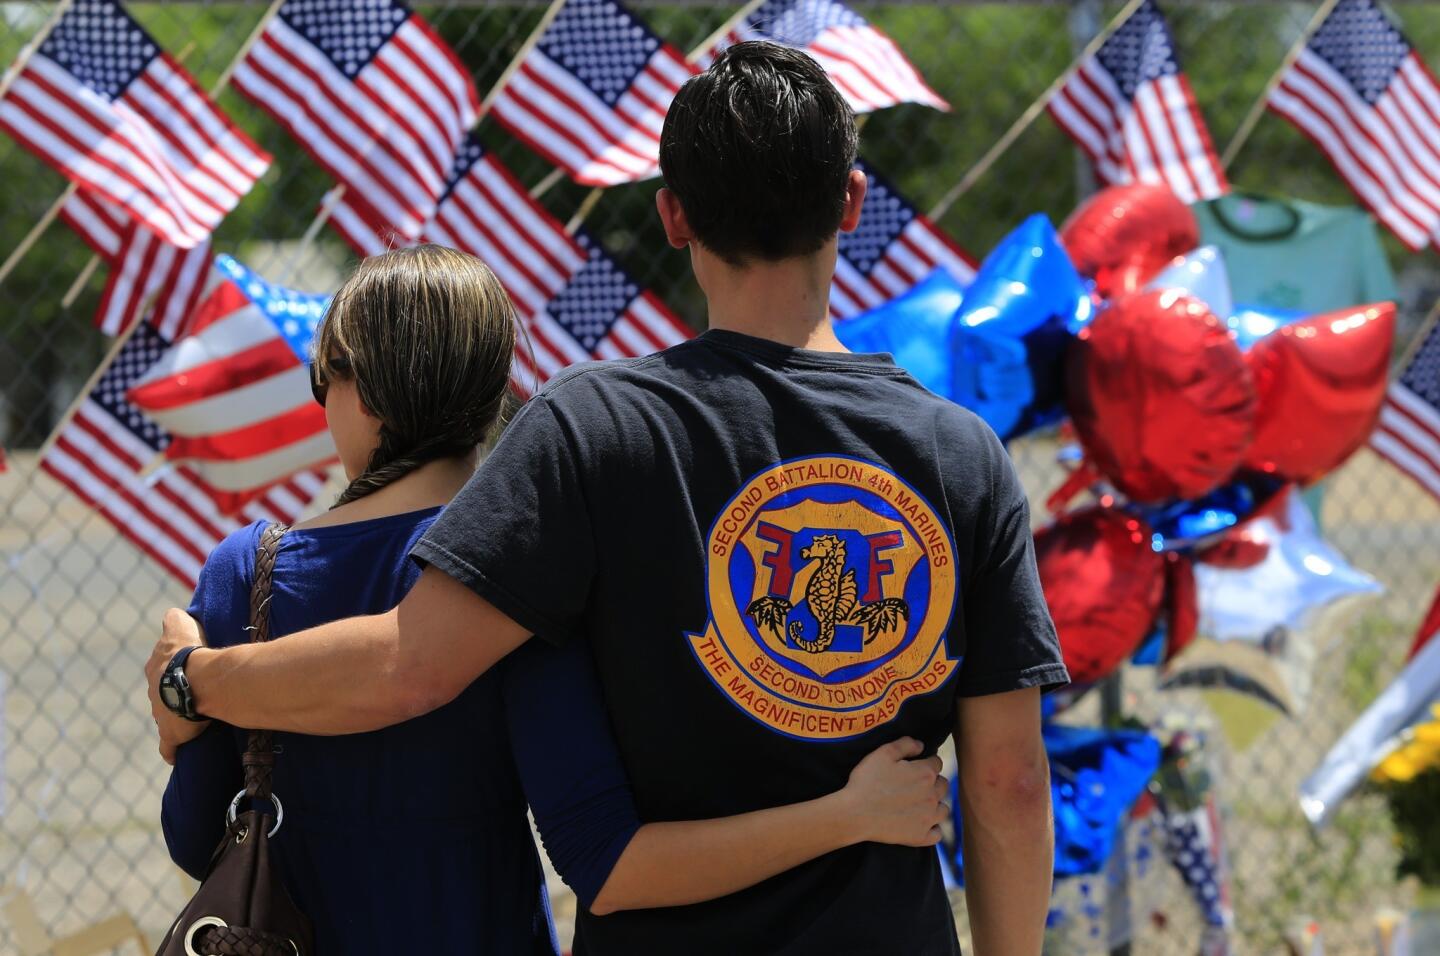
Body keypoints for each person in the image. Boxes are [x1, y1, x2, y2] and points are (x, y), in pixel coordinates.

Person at [150, 42, 1066, 954]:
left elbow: (411, 666)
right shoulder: (963, 455)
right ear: (852, 202)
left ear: (672, 216)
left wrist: (197, 679)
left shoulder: (591, 427)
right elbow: (1010, 784)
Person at [158, 244, 950, 954]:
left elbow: (195, 835)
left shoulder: (245, 575)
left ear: (360, 391)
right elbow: (605, 856)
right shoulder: (526, 567)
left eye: (320, 379)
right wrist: (848, 814)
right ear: (489, 394)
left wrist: (189, 683)